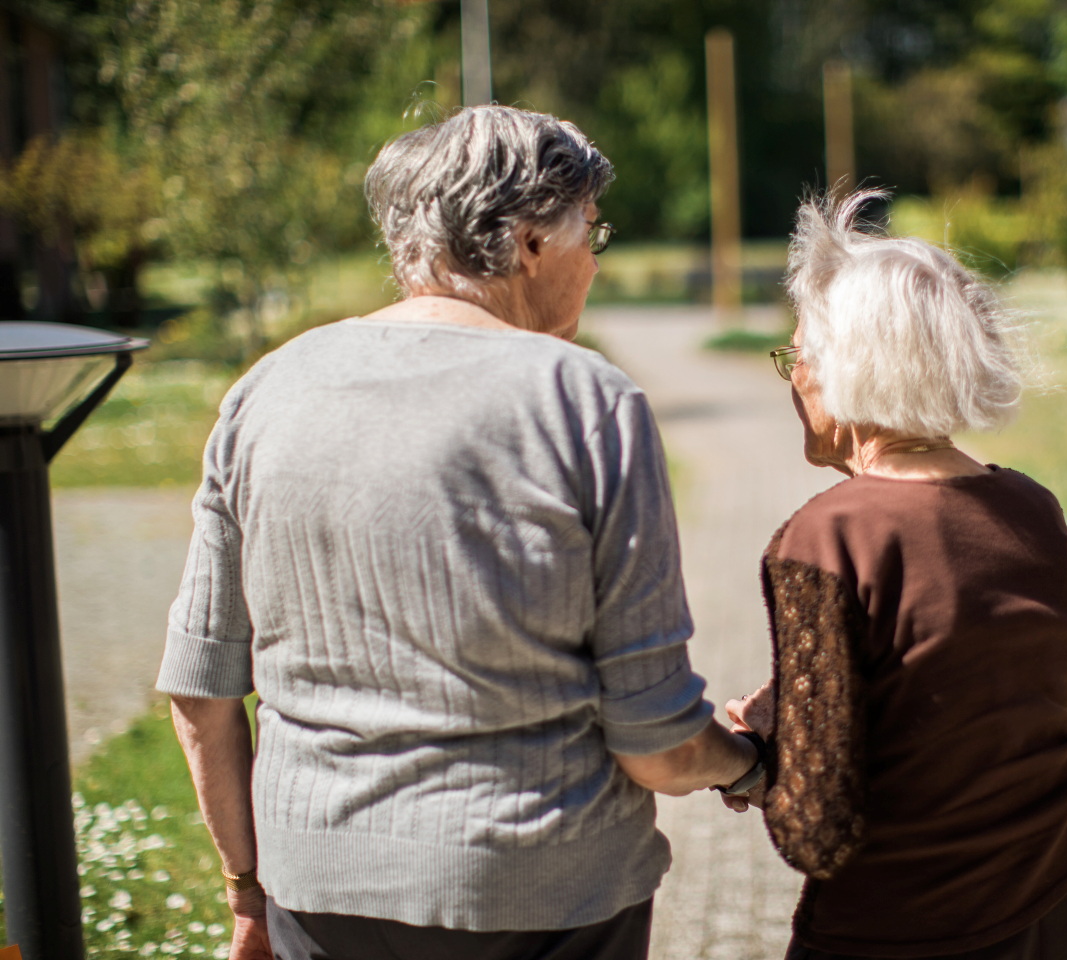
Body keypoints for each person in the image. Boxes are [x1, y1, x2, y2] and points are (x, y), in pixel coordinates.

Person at [155, 105, 764, 960]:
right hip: (546, 896)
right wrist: (755, 765)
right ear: (530, 243)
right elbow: (654, 739)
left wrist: (246, 893)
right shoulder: (584, 400)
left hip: (319, 892)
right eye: (593, 231)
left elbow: (201, 690)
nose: (596, 259)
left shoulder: (266, 390)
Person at [725, 190, 1067, 960]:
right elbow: (995, 695)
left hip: (909, 926)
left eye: (796, 357)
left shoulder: (829, 536)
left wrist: (751, 763)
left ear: (849, 369)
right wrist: (805, 705)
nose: (790, 379)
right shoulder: (1034, 508)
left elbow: (815, 829)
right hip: (1062, 889)